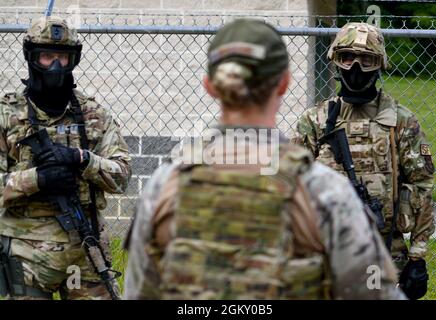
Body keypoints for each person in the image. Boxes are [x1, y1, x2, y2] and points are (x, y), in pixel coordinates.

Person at [123, 19, 404, 300]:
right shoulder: (324, 193)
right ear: (283, 83)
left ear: (209, 85)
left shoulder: (163, 187)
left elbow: (140, 292)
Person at [293, 22, 435, 300]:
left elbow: (422, 185)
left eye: (366, 60)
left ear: (379, 64)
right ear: (336, 61)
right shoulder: (316, 120)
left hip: (383, 250)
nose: (355, 68)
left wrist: (418, 257)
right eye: (348, 58)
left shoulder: (400, 120)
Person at [0, 16, 131, 300]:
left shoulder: (94, 115)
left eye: (63, 57)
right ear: (31, 57)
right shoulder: (6, 115)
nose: (56, 66)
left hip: (87, 250)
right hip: (27, 258)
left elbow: (122, 178)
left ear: (74, 60)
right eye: (47, 56)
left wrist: (82, 159)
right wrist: (37, 179)